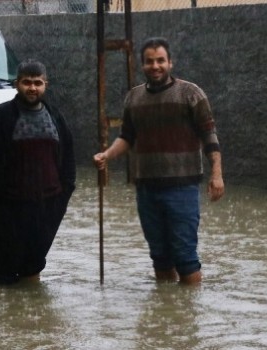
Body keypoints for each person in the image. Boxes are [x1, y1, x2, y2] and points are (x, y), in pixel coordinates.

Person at [93, 37, 224, 285]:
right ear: (142, 65)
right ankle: (166, 314)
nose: (155, 66)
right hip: (147, 189)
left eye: (160, 61)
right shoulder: (133, 98)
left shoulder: (191, 94)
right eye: (150, 62)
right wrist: (106, 155)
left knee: (185, 258)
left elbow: (209, 136)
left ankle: (187, 315)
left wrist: (216, 175)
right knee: (160, 258)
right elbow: (127, 138)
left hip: (182, 188)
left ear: (170, 63)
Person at [0, 59, 76, 285]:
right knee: (2, 268)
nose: (32, 88)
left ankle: (31, 315)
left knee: (34, 263)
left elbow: (68, 158)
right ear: (17, 84)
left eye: (37, 83)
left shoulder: (55, 117)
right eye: (26, 82)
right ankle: (4, 314)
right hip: (7, 204)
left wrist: (65, 194)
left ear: (45, 84)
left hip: (47, 204)